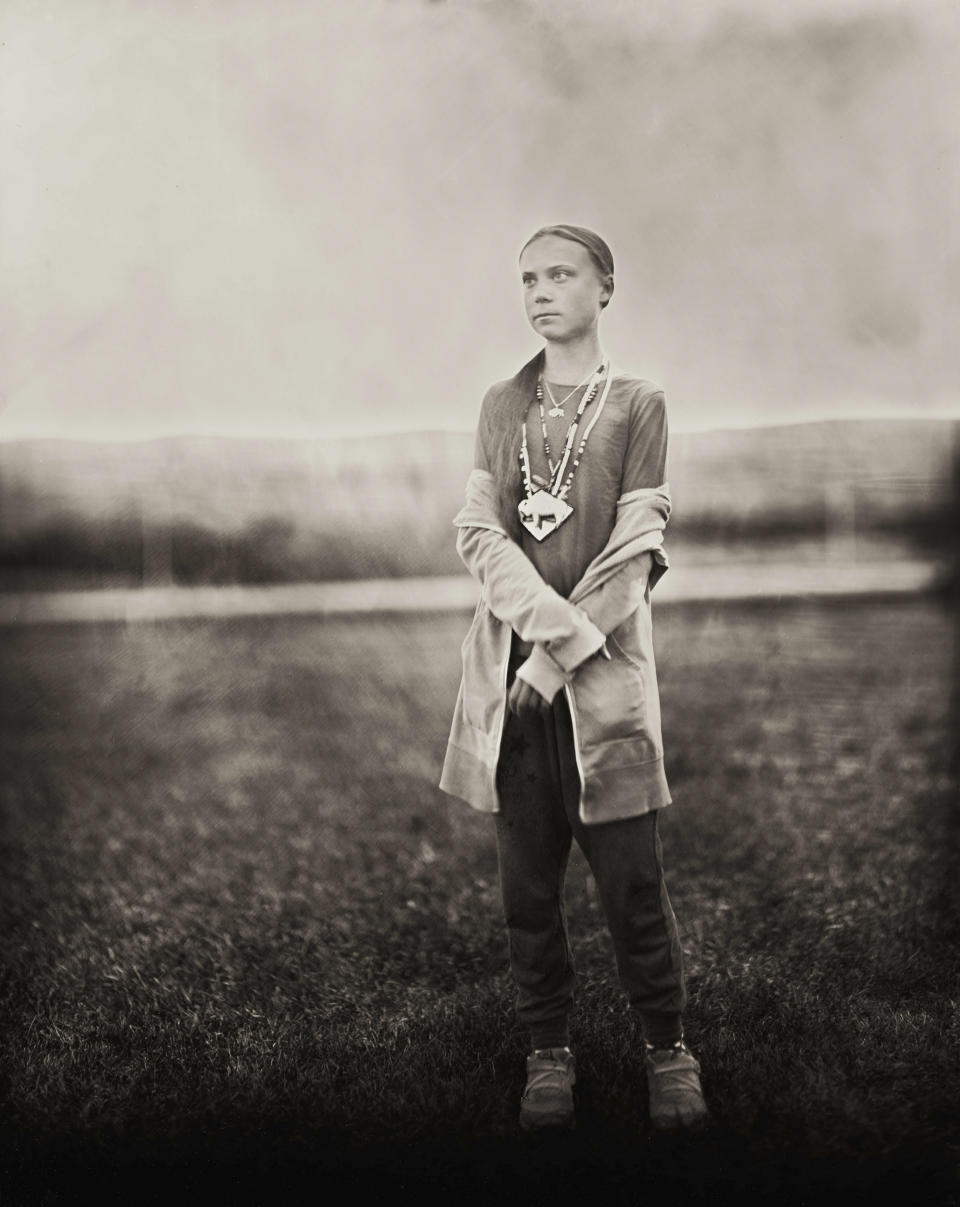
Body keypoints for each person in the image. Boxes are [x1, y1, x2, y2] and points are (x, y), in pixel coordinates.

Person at [439, 224, 708, 1133]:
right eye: (527, 278)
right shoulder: (500, 405)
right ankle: (547, 1054)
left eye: (561, 274)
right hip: (513, 689)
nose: (541, 291)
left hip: (602, 684)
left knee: (632, 882)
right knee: (526, 887)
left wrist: (563, 657)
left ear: (605, 288)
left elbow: (636, 554)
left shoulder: (638, 403)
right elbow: (481, 537)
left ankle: (668, 1051)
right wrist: (537, 644)